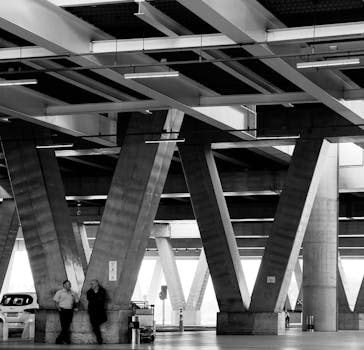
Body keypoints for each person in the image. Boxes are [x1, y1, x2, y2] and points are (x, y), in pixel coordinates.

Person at [53, 280, 79, 344]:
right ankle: (64, 340)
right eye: (68, 284)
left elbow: (76, 301)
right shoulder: (59, 292)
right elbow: (56, 302)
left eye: (70, 284)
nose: (70, 285)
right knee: (64, 326)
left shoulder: (73, 293)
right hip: (62, 310)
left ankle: (61, 340)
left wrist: (75, 307)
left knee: (66, 326)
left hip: (70, 311)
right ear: (64, 285)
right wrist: (59, 309)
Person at [87, 279, 107, 344]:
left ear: (96, 284)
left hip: (100, 311)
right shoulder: (89, 291)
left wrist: (95, 299)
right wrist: (97, 299)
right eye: (91, 284)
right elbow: (90, 299)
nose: (91, 285)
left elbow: (102, 300)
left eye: (92, 284)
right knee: (95, 325)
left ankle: (98, 337)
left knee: (97, 324)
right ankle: (100, 340)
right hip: (92, 311)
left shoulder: (102, 290)